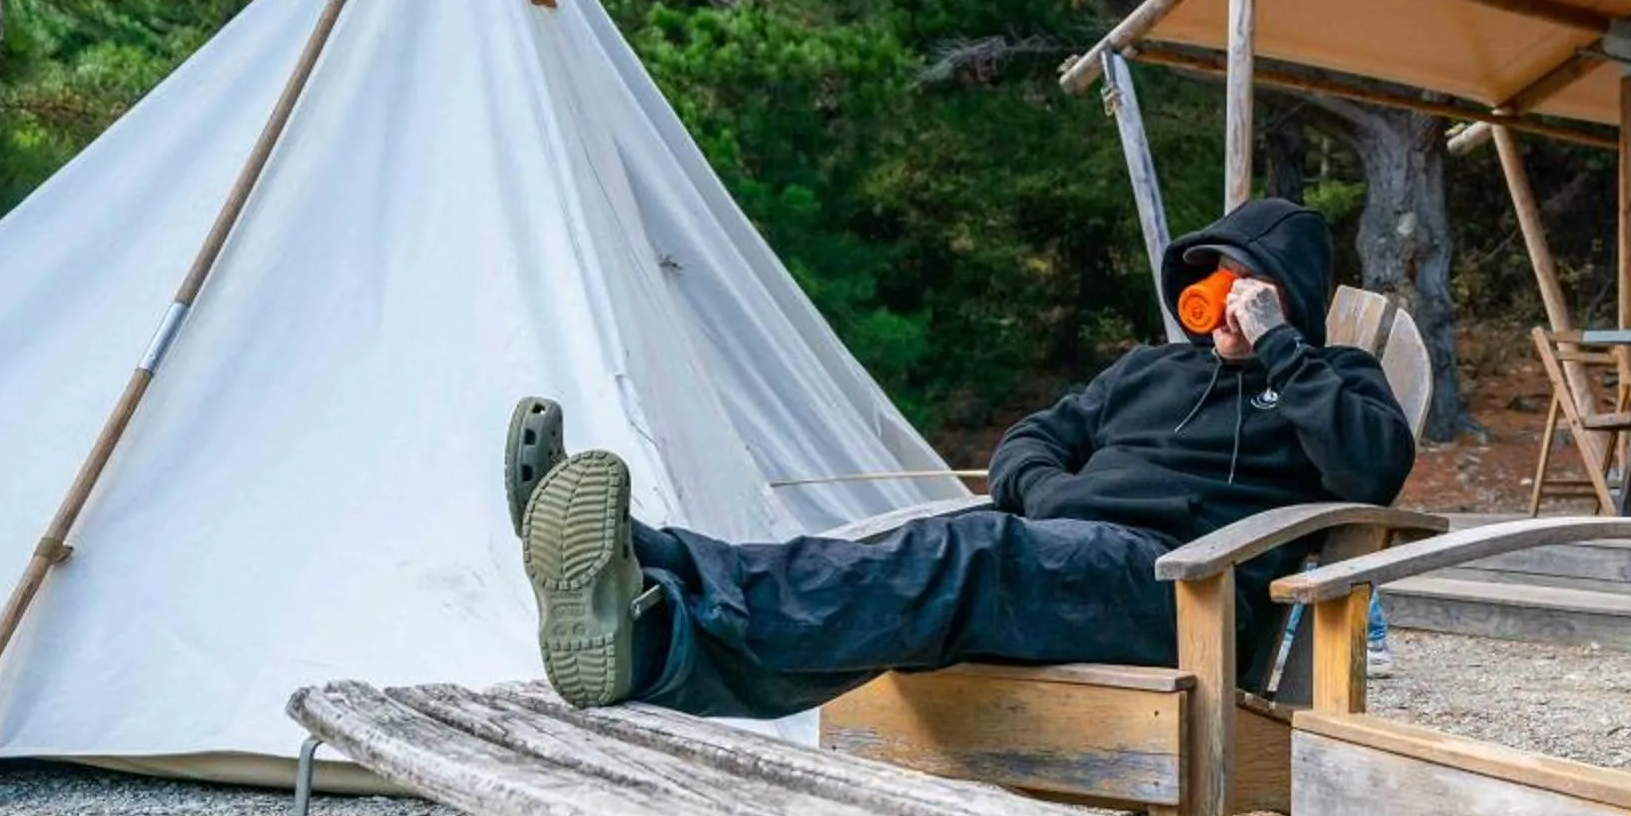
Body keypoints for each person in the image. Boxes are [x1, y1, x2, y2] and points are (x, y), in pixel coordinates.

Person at [507, 197, 1415, 715]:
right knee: (897, 567)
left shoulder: (1331, 377)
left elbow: (1371, 471)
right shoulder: (1149, 371)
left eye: (1243, 279)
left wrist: (1282, 345)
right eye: (1211, 274)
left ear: (1284, 294)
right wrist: (1052, 496)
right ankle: (647, 602)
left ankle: (651, 590)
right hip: (1064, 557)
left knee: (963, 554)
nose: (1221, 294)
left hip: (1178, 592)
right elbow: (1031, 439)